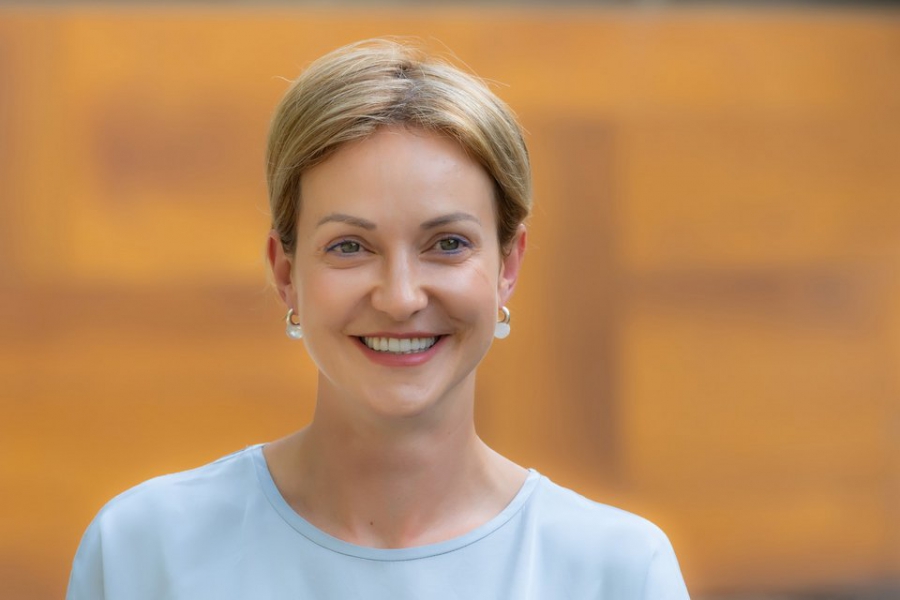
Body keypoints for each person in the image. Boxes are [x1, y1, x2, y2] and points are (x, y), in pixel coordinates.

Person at [66, 39, 690, 599]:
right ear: (285, 273)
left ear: (507, 265)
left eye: (447, 244)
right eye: (350, 247)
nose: (400, 297)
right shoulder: (143, 552)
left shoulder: (620, 573)